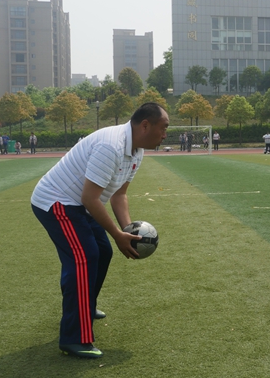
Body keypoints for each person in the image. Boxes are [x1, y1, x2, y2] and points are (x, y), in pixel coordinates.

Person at [30, 103, 169, 359]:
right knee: (84, 257)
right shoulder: (111, 146)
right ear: (145, 125)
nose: (165, 135)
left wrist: (129, 231)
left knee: (102, 251)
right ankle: (74, 339)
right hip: (56, 202)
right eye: (163, 128)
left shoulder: (136, 150)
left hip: (78, 204)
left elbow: (119, 194)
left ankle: (84, 305)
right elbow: (90, 199)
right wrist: (117, 235)